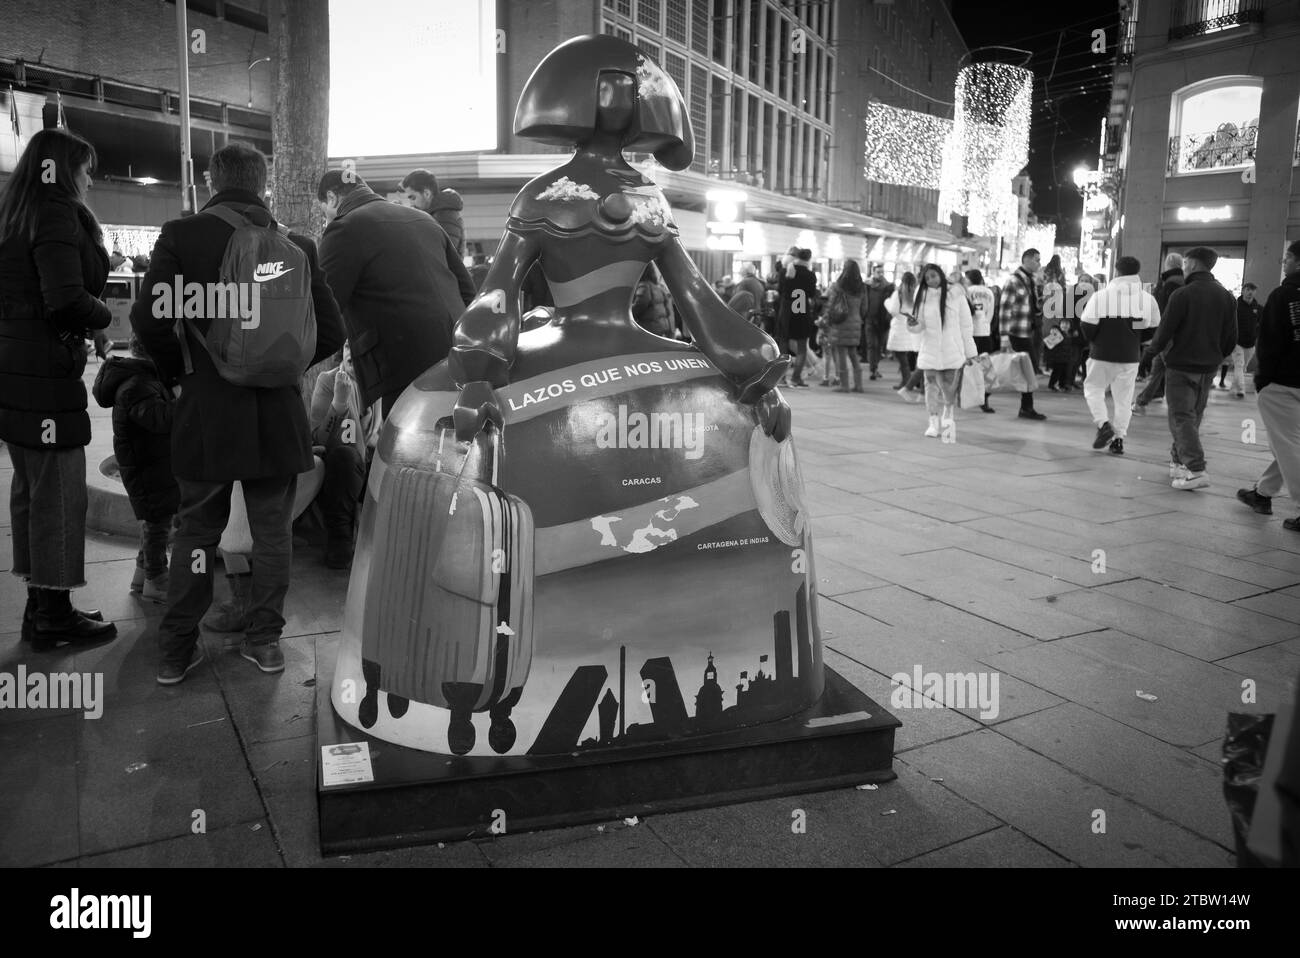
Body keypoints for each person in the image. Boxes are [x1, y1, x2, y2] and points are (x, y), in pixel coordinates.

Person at [131, 142, 345, 684]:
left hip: (206, 410)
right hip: (277, 416)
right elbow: (332, 331)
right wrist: (282, 368)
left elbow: (149, 319)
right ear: (263, 184)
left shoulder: (183, 237)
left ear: (211, 181)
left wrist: (181, 374)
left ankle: (177, 650)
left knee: (197, 534)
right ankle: (265, 642)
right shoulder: (297, 245)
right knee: (273, 535)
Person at [0, 128, 117, 651]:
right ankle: (54, 617)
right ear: (62, 169)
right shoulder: (54, 212)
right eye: (85, 169)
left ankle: (38, 606)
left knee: (30, 488)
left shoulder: (14, 214)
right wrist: (104, 317)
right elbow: (66, 297)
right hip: (44, 372)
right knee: (60, 493)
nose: (89, 179)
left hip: (14, 369)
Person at [318, 169, 474, 418]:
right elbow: (467, 290)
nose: (325, 219)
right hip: (459, 354)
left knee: (408, 452)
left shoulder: (344, 228)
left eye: (323, 210)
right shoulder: (424, 219)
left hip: (401, 364)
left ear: (332, 198)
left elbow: (324, 308)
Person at [1142, 246, 1237, 490]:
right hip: (1208, 367)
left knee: (1181, 417)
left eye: (1185, 263)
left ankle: (1196, 468)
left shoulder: (1183, 295)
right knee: (1192, 415)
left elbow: (1164, 333)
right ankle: (1178, 462)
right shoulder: (1226, 296)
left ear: (1193, 264)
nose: (1183, 267)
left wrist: (1150, 354)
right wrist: (1216, 355)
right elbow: (1230, 337)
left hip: (1181, 365)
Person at [92, 335, 179, 600]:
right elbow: (160, 420)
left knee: (156, 522)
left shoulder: (141, 379)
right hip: (146, 468)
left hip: (148, 464)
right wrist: (183, 401)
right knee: (157, 524)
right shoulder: (137, 385)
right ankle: (156, 579)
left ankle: (142, 575)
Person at [1237, 240, 1300, 528]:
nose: (1283, 262)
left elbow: (1271, 342)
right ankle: (1262, 493)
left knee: (1287, 446)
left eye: (1287, 257)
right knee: (1290, 443)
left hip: (1283, 383)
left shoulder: (1283, 295)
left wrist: (1262, 380)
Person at [1079, 256, 1161, 455]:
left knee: (1093, 389)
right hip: (1130, 356)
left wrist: (1097, 340)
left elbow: (1087, 326)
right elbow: (1153, 329)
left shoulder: (1101, 296)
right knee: (1123, 399)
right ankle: (1118, 440)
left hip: (1101, 354)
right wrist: (1135, 338)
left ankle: (1103, 424)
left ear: (1116, 271)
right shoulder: (1147, 299)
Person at [309, 342, 378, 567]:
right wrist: (339, 403)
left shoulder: (377, 384)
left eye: (358, 347)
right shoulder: (328, 380)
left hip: (370, 464)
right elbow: (318, 439)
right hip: (339, 470)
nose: (350, 352)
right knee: (345, 457)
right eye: (348, 346)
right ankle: (339, 541)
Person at [910, 264, 976, 439]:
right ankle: (933, 423)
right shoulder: (922, 296)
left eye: (934, 276)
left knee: (949, 390)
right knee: (930, 388)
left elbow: (966, 325)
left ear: (941, 274)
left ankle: (948, 423)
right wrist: (913, 325)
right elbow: (919, 324)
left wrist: (970, 353)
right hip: (930, 350)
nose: (932, 280)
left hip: (952, 351)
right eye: (928, 278)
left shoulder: (956, 294)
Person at [999, 248, 1047, 420]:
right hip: (1016, 333)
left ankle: (1025, 407)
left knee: (1026, 370)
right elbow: (1005, 311)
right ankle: (1026, 407)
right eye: (1036, 260)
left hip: (1027, 331)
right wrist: (1004, 338)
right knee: (1027, 370)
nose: (1038, 263)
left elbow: (1033, 306)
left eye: (1039, 260)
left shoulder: (1030, 280)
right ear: (1026, 259)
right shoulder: (1014, 281)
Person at [1134, 252, 1185, 405]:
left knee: (1164, 363)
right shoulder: (1181, 281)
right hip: (1174, 331)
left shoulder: (1169, 283)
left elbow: (1163, 309)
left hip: (1166, 331)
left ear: (1167, 264)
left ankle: (1150, 397)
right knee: (1159, 364)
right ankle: (1151, 395)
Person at [824, 259, 868, 392]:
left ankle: (844, 385)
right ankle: (859, 385)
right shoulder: (862, 287)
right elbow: (865, 308)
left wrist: (827, 320)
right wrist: (858, 317)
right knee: (854, 354)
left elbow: (831, 305)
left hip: (840, 323)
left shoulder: (838, 286)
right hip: (856, 322)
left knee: (841, 353)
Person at [400, 168, 466, 257]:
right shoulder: (437, 214)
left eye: (413, 198)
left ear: (426, 194)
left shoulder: (445, 216)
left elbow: (440, 256)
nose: (411, 204)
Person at [777, 247, 818, 387]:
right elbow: (812, 294)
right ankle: (796, 378)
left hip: (786, 311)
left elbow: (780, 291)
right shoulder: (810, 275)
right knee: (801, 347)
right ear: (808, 260)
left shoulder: (785, 272)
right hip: (801, 311)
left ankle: (781, 378)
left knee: (783, 344)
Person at [964, 270, 997, 413]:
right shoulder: (989, 293)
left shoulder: (967, 291)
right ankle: (984, 399)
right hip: (985, 332)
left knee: (967, 366)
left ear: (970, 279)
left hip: (970, 333)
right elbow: (991, 313)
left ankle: (965, 396)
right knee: (985, 367)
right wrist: (986, 325)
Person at [887, 270, 923, 403]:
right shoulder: (917, 293)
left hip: (900, 327)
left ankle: (907, 382)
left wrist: (887, 302)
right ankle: (910, 383)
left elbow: (893, 311)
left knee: (903, 358)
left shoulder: (899, 293)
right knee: (914, 359)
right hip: (913, 328)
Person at [1228, 282, 1261, 399]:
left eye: (1252, 290)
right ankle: (1241, 390)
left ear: (1255, 292)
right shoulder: (1235, 306)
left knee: (1243, 368)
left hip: (1251, 344)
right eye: (1247, 289)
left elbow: (1263, 324)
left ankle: (1234, 387)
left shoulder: (1258, 307)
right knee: (1239, 365)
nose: (1250, 292)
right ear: (1243, 291)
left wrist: (1257, 334)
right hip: (1237, 342)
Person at [862, 263, 895, 381]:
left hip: (883, 321)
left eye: (882, 272)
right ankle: (873, 369)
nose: (880, 274)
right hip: (870, 319)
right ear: (873, 272)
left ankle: (875, 367)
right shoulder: (867, 286)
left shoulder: (889, 287)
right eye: (878, 272)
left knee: (880, 346)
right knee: (872, 345)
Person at [632, 262, 674, 337]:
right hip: (662, 328)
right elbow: (667, 311)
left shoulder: (644, 286)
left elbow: (640, 305)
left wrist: (628, 313)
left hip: (649, 329)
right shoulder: (658, 287)